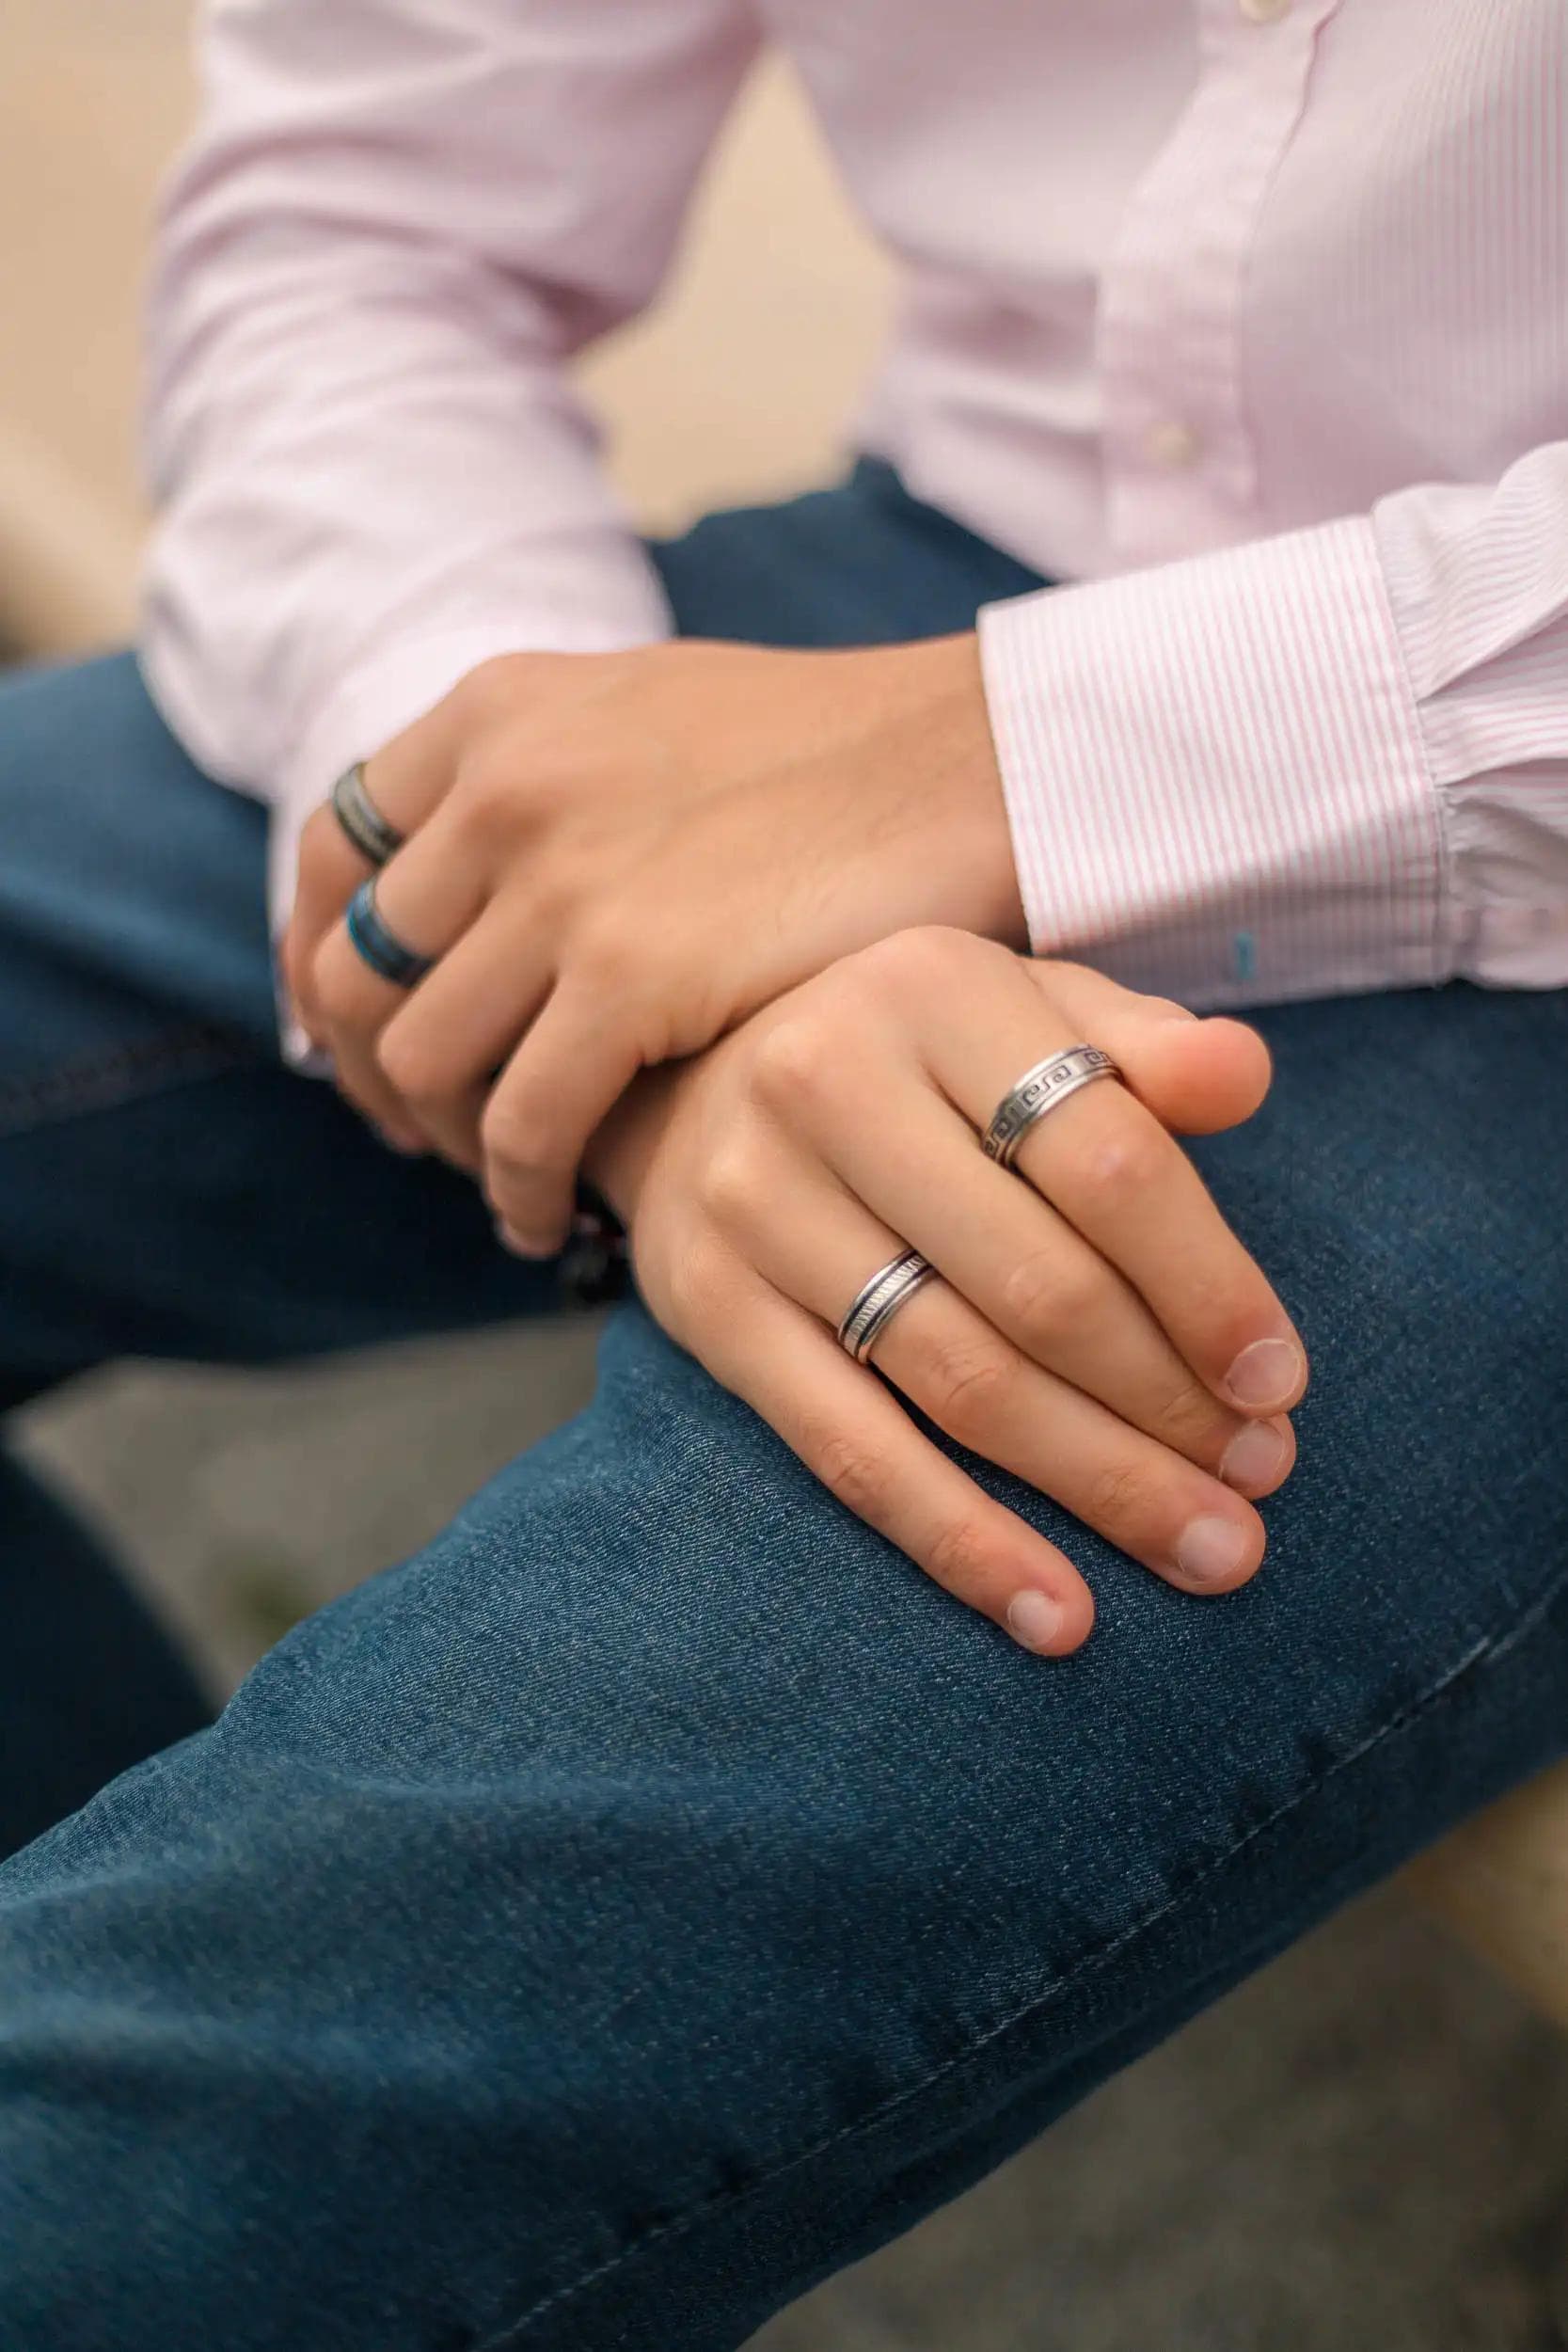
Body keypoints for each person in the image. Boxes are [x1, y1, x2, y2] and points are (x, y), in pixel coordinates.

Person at [1, 0, 1564, 2342]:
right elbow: (367, 216)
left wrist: (998, 768)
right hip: (944, 579)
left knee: (193, 2093)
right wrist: (624, 939)